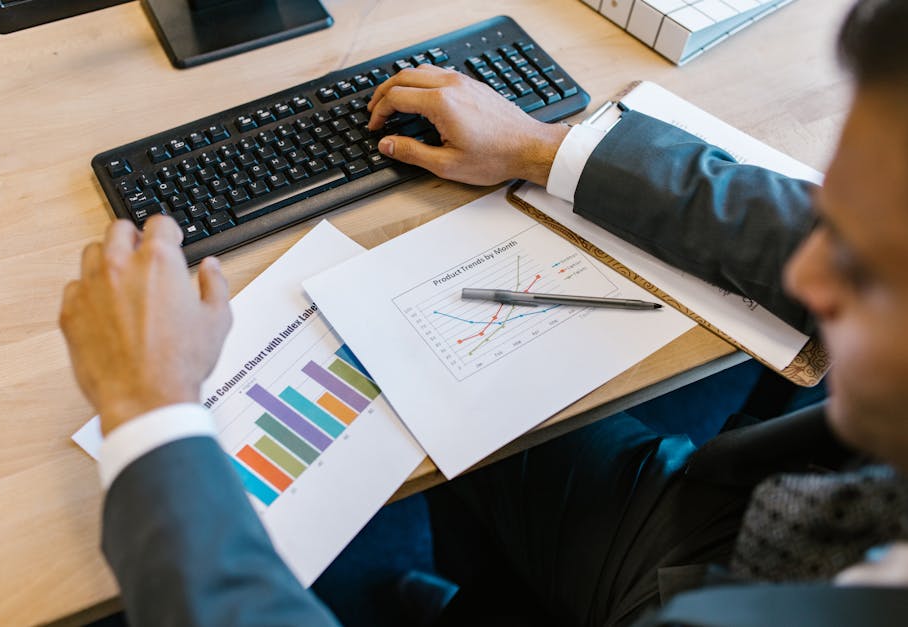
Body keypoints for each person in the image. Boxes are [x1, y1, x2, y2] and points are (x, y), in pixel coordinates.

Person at [59, 0, 908, 624]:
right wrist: (544, 147)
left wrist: (152, 411)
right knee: (444, 390)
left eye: (862, 264)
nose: (809, 273)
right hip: (751, 526)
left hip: (705, 591)